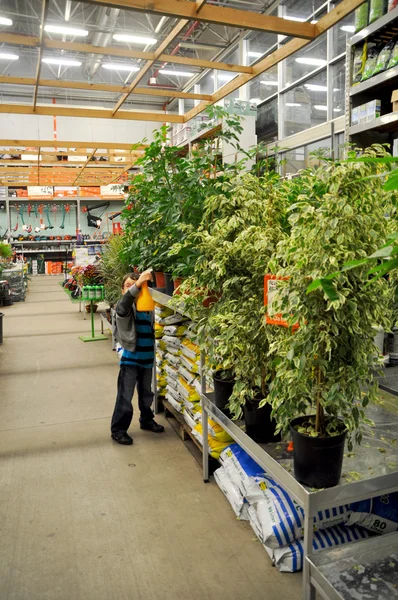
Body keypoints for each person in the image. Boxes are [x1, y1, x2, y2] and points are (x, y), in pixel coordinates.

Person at [111, 270, 164, 445]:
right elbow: (124, 304)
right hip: (130, 359)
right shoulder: (125, 307)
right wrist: (138, 283)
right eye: (128, 286)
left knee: (146, 394)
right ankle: (118, 430)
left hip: (147, 357)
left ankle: (146, 420)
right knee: (125, 396)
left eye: (134, 285)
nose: (132, 289)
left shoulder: (147, 307)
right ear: (122, 290)